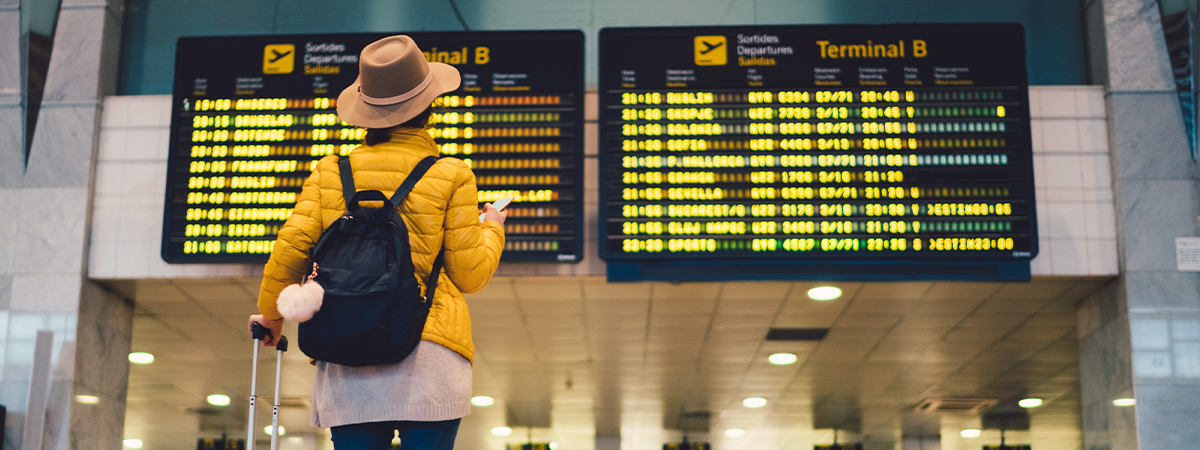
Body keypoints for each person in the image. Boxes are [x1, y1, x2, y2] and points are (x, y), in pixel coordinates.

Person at [247, 35, 506, 450]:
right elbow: (470, 274)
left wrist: (271, 318)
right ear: (428, 105)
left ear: (365, 113)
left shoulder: (331, 171)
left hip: (347, 347)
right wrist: (492, 227)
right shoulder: (452, 173)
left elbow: (289, 252)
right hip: (428, 351)